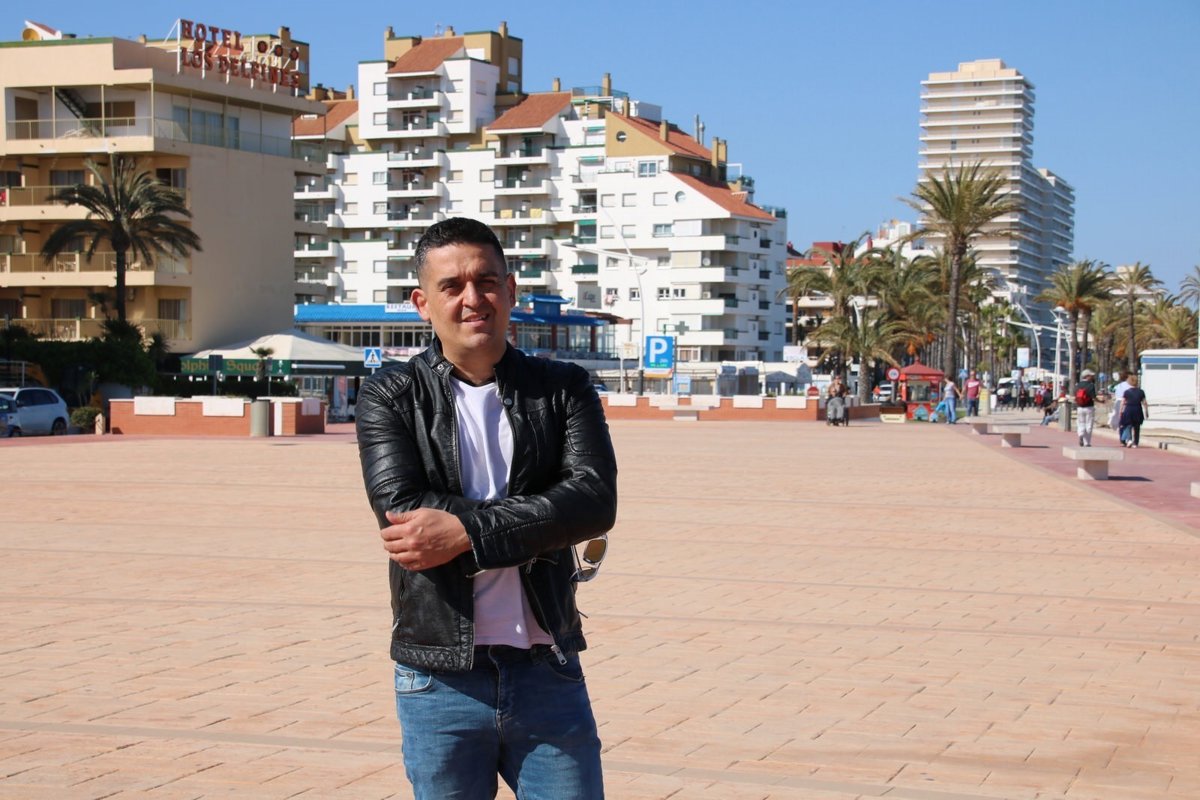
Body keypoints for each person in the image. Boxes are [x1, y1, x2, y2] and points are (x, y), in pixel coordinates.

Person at [355, 217, 617, 798]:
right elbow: (402, 510)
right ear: (423, 303)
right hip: (438, 677)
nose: (473, 298)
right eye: (452, 286)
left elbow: (593, 501)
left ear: (511, 290)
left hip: (547, 667)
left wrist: (464, 532)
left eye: (487, 281)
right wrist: (542, 515)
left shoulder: (563, 389)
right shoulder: (391, 395)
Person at [1118, 374, 1149, 448]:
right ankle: (1136, 442)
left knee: (1128, 426)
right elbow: (1144, 403)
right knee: (1137, 427)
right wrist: (1146, 412)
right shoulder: (1141, 392)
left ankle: (1129, 440)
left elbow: (1123, 402)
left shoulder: (1127, 392)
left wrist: (1120, 411)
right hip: (1138, 409)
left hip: (1128, 409)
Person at [1074, 369, 1097, 447]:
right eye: (1091, 376)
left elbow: (1075, 396)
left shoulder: (1078, 385)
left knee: (1081, 422)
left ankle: (1081, 434)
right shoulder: (1091, 385)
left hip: (1080, 407)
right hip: (1089, 407)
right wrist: (1101, 401)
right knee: (1089, 424)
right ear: (1087, 376)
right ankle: (1087, 442)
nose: (1092, 377)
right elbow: (1093, 397)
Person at [1110, 371, 1131, 443]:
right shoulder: (1129, 386)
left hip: (1117, 404)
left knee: (1121, 421)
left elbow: (1113, 393)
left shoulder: (1118, 386)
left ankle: (1122, 437)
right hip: (1125, 404)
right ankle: (1126, 438)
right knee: (1127, 422)